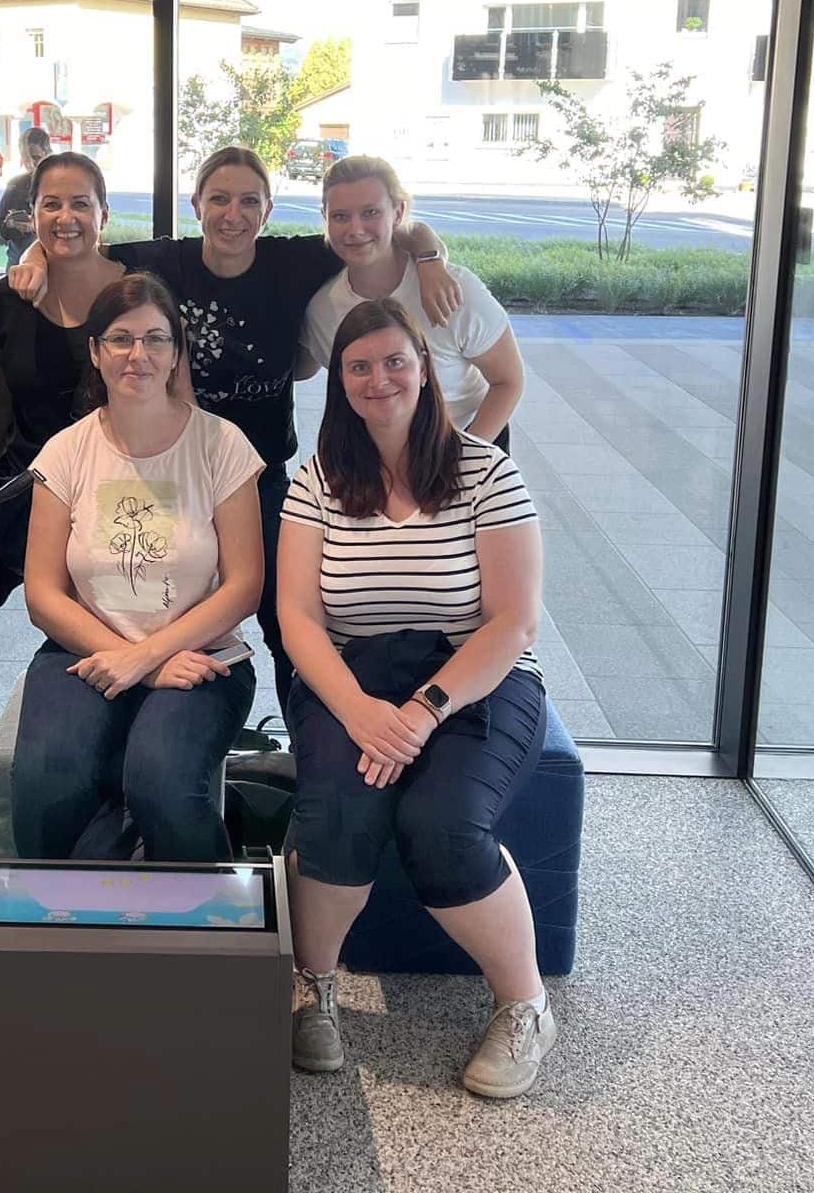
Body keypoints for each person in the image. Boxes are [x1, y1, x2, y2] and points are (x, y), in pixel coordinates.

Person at [7, 143, 460, 715]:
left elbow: (384, 225)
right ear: (196, 205)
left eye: (249, 201)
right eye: (219, 199)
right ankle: (141, 686)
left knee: (284, 617)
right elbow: (78, 241)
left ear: (268, 208)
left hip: (261, 474)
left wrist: (430, 256)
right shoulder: (168, 261)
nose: (233, 215)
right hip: (178, 468)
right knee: (150, 591)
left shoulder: (292, 262)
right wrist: (33, 254)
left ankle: (310, 737)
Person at [278, 297, 554, 1100]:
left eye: (395, 361)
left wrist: (423, 710)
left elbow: (514, 622)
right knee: (336, 812)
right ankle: (314, 987)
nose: (380, 379)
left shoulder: (485, 470)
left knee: (444, 824)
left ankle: (526, 1005)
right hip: (351, 678)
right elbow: (298, 619)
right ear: (339, 381)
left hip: (473, 680)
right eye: (359, 366)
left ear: (425, 368)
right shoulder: (319, 479)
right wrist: (360, 711)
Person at [11, 273, 266, 861]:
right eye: (121, 339)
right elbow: (43, 593)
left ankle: (207, 911)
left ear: (176, 353)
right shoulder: (66, 451)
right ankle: (70, 910)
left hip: (202, 657)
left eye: (155, 339)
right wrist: (139, 665)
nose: (138, 355)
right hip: (84, 649)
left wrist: (147, 656)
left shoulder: (221, 445)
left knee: (161, 780)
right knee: (47, 778)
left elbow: (245, 585)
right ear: (95, 351)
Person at [296, 155, 527, 450]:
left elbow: (508, 381)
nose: (355, 229)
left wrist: (465, 456)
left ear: (398, 212)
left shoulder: (454, 290)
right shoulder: (322, 310)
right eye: (341, 216)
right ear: (325, 218)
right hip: (379, 453)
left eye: (370, 212)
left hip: (465, 438)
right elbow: (315, 375)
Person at [0, 152, 124, 582]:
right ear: (33, 214)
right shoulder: (7, 301)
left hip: (113, 499)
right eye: (51, 205)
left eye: (80, 204)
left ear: (104, 214)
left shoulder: (136, 296)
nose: (66, 218)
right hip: (27, 491)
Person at [0, 124, 50, 264]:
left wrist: (34, 226)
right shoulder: (16, 185)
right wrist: (11, 226)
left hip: (50, 260)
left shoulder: (61, 184)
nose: (30, 163)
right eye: (26, 158)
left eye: (36, 157)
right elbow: (0, 224)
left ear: (47, 153)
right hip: (19, 259)